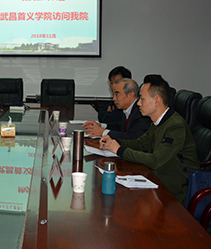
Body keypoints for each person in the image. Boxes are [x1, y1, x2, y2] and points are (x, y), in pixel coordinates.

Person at [100, 75, 199, 204]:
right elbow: (141, 143)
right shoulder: (157, 121)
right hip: (156, 179)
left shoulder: (175, 126)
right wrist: (115, 142)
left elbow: (155, 160)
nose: (138, 103)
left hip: (174, 193)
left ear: (157, 101)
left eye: (142, 99)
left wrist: (119, 150)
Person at [83, 78, 151, 140]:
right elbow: (119, 128)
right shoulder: (128, 109)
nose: (114, 99)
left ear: (130, 95)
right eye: (113, 95)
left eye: (117, 94)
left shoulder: (141, 111)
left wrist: (103, 132)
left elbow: (133, 137)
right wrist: (101, 126)